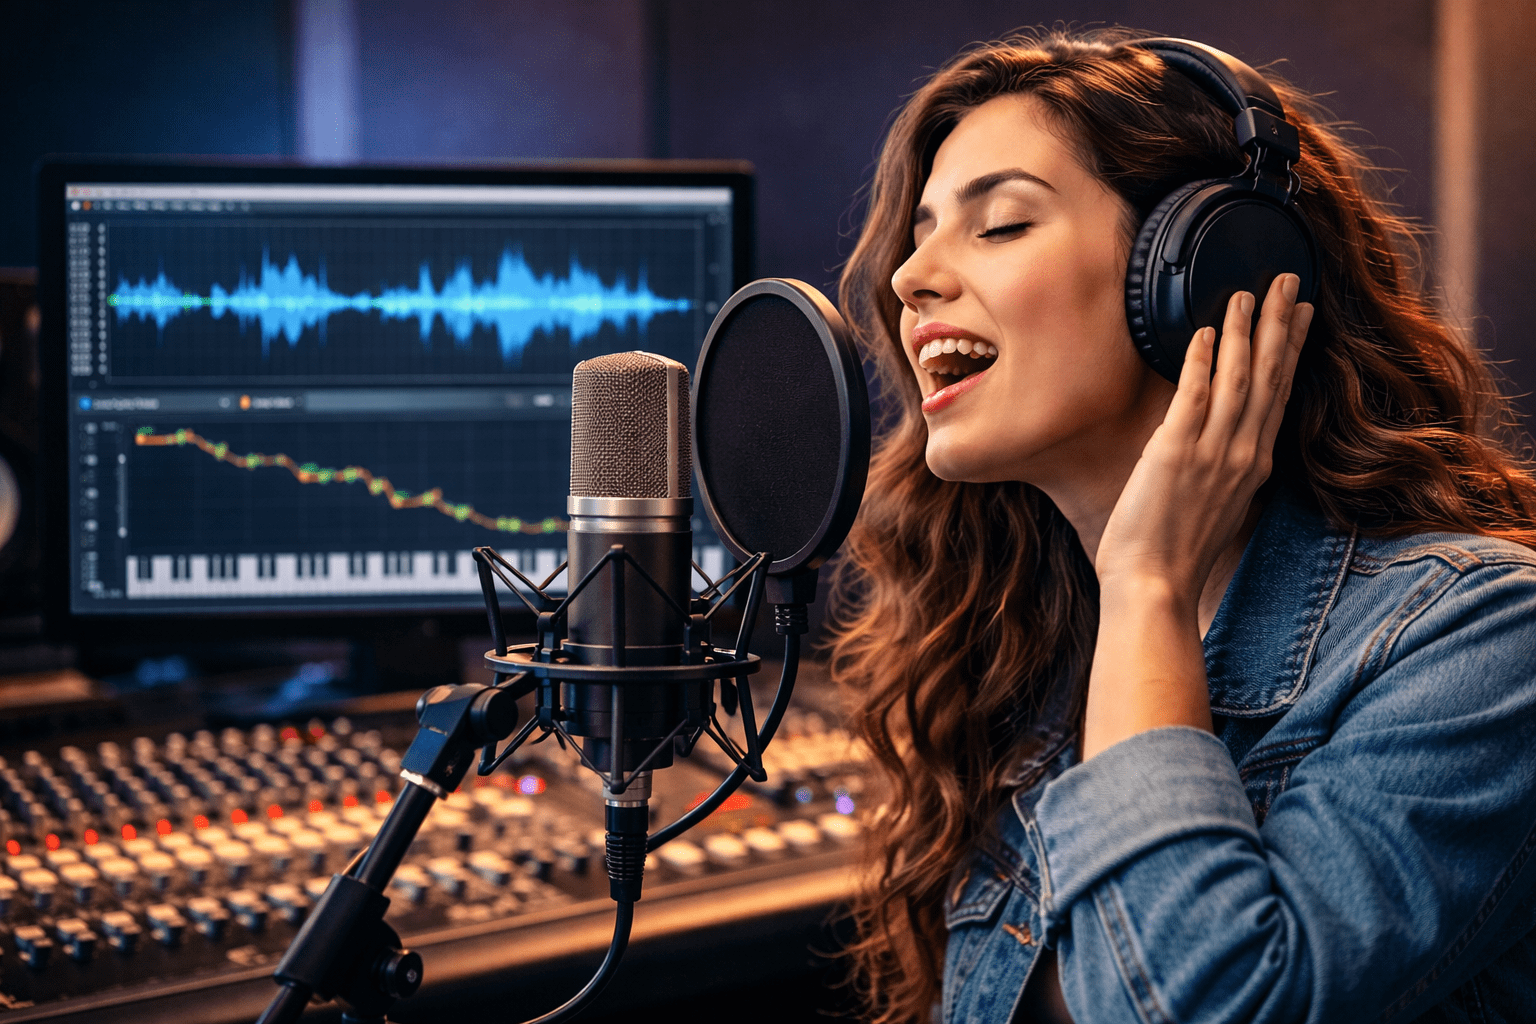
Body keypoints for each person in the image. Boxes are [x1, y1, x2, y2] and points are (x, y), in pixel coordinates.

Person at [828, 26, 1536, 1024]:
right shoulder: (1020, 652)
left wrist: (1151, 584)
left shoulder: (1483, 640)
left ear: (1209, 273)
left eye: (998, 227)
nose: (909, 278)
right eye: (921, 232)